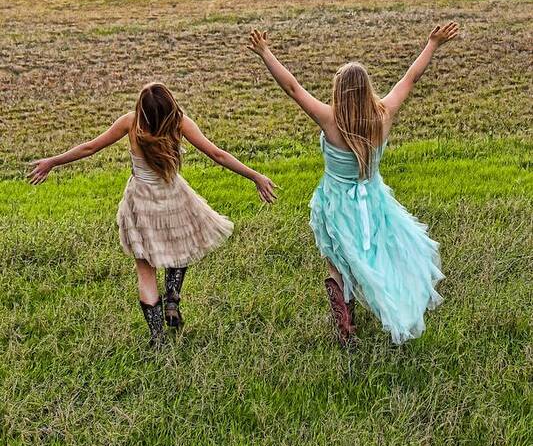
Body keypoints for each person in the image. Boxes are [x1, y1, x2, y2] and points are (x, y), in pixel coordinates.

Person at [248, 22, 459, 346]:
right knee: (376, 256)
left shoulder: (330, 119)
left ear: (339, 90)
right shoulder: (384, 114)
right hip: (373, 200)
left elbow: (292, 88)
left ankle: (346, 329)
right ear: (367, 88)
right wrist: (432, 44)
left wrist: (265, 52)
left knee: (338, 263)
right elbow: (410, 78)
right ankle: (376, 308)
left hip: (335, 202)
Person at [29, 82, 276, 348]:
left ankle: (157, 338)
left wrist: (52, 161)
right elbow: (217, 154)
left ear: (142, 109)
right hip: (173, 198)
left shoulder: (130, 123)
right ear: (170, 106)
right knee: (182, 247)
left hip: (140, 204)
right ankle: (172, 297)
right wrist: (255, 175)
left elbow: (90, 148)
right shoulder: (180, 124)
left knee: (145, 271)